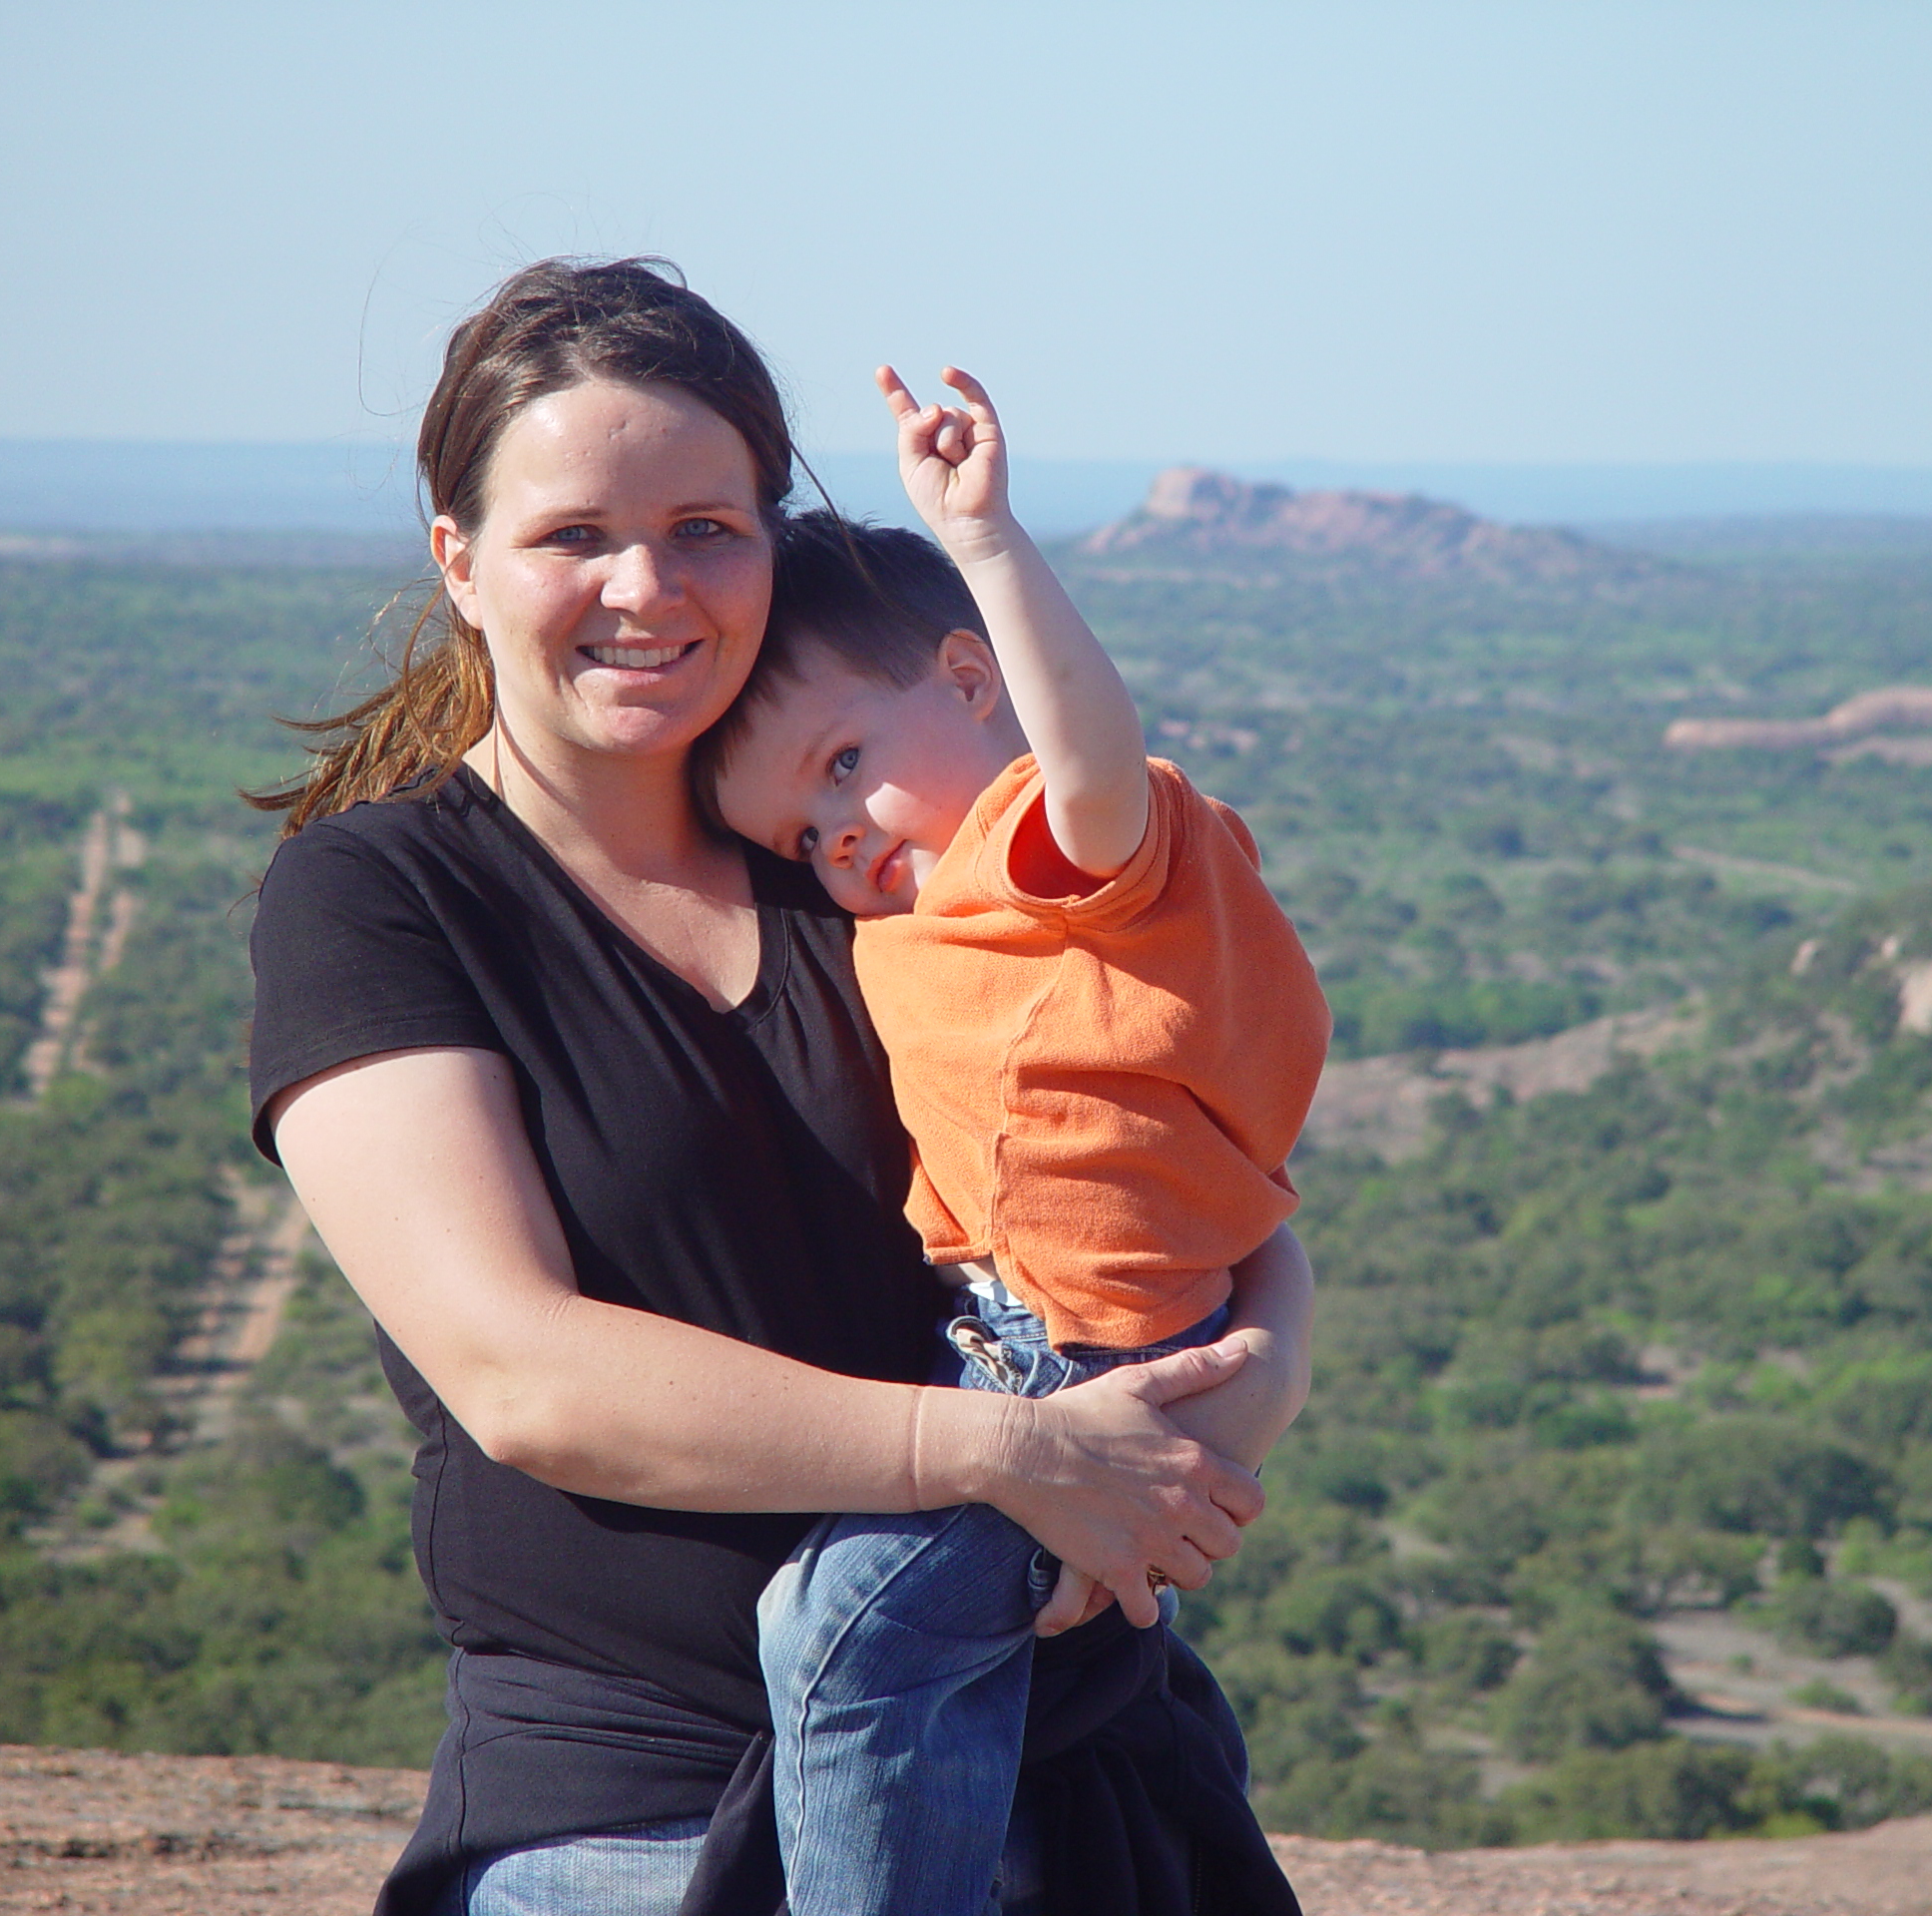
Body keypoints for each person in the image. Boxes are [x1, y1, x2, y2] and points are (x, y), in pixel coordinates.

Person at [242, 257, 1314, 1916]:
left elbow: (1179, 1137)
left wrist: (1224, 1410)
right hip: (632, 1809)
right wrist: (1002, 1459)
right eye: (573, 536)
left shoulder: (878, 859)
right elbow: (521, 1375)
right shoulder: (386, 899)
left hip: (1062, 1758)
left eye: (704, 528)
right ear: (460, 564)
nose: (646, 586)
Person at [705, 370, 1331, 1916]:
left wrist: (984, 539)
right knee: (889, 1628)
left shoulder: (1046, 855)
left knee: (844, 1630)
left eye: (847, 762)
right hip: (1017, 1351)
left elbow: (1096, 765)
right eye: (803, 833)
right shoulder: (935, 907)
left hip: (1086, 1362)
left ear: (974, 681)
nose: (842, 835)